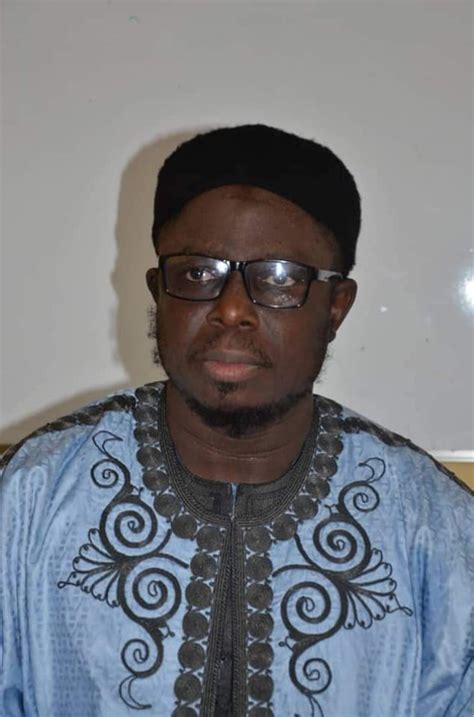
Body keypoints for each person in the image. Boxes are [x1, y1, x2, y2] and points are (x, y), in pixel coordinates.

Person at [0, 124, 472, 717]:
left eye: (278, 278)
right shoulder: (31, 498)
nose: (230, 309)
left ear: (336, 307)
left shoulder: (435, 527)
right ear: (158, 292)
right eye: (199, 273)